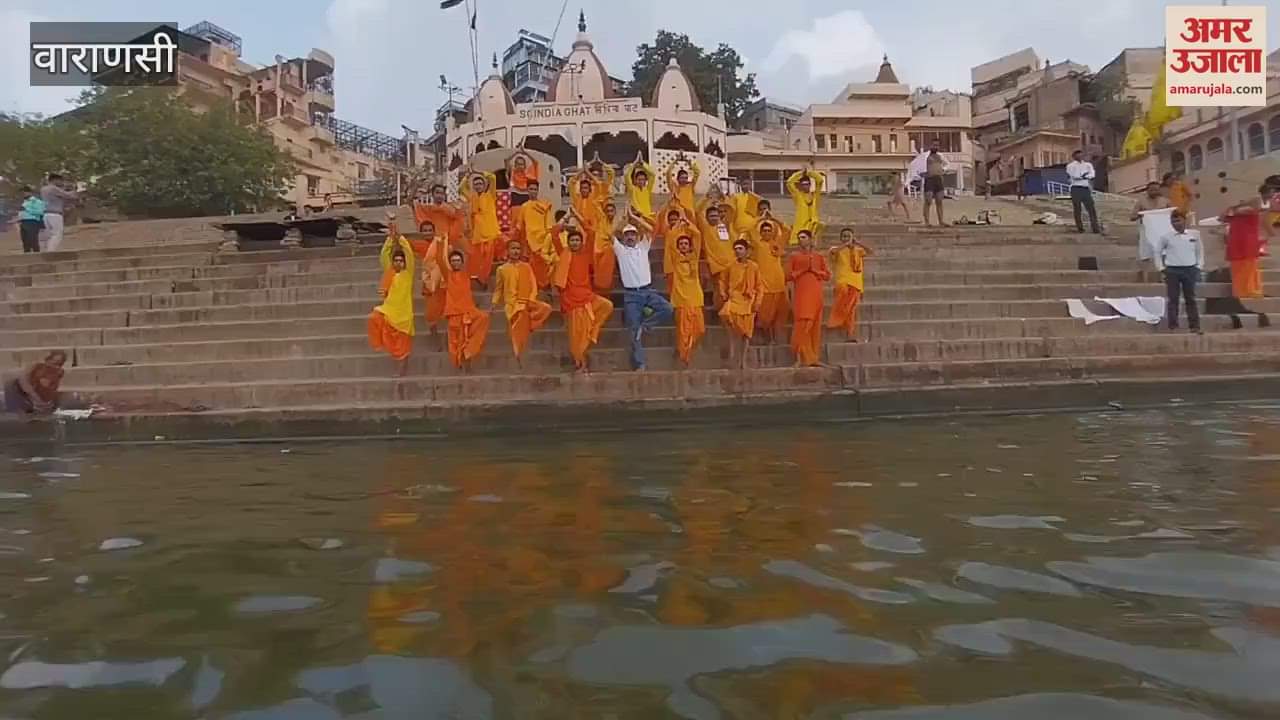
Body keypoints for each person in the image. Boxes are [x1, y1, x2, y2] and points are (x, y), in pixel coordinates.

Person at [552, 226, 613, 373]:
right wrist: (565, 222)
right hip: (571, 300)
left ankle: (594, 330)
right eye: (572, 240)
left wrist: (577, 216)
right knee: (576, 336)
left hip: (587, 296)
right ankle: (580, 364)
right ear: (568, 242)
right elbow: (554, 234)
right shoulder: (564, 254)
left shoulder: (585, 254)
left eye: (577, 240)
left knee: (607, 306)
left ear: (581, 242)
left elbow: (591, 233)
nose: (574, 242)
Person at [614, 222, 673, 371]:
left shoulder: (643, 247)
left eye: (632, 234)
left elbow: (652, 228)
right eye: (627, 235)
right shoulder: (620, 250)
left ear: (637, 236)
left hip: (648, 292)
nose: (630, 237)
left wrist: (633, 218)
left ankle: (646, 326)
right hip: (631, 295)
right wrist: (623, 219)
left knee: (668, 309)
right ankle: (640, 363)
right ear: (623, 237)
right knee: (633, 330)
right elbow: (610, 233)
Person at [367, 216, 416, 376]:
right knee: (374, 318)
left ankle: (402, 370)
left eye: (401, 261)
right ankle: (379, 344)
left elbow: (408, 251)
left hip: (404, 314)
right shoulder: (390, 273)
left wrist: (400, 237)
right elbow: (384, 254)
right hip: (389, 310)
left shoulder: (408, 274)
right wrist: (390, 236)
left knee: (403, 343)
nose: (398, 263)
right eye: (396, 260)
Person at [491, 239, 551, 366]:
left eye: (518, 249)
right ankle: (518, 356)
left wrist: (531, 299)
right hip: (511, 305)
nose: (516, 251)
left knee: (546, 309)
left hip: (525, 303)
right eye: (513, 248)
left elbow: (533, 285)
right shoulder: (502, 269)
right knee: (515, 331)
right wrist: (494, 303)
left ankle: (520, 355)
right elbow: (498, 289)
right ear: (507, 251)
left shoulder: (527, 267)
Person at [1152, 209, 1204, 334]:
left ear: (1184, 220)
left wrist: (1199, 266)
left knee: (1190, 298)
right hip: (1172, 270)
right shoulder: (1166, 237)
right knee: (1173, 299)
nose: (1176, 223)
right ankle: (1173, 326)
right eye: (1173, 221)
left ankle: (1195, 326)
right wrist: (1161, 268)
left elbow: (1199, 251)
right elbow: (1157, 252)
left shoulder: (1194, 235)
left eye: (1178, 220)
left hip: (1190, 269)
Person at [787, 229, 831, 367]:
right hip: (801, 294)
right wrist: (803, 270)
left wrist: (815, 271)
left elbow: (827, 275)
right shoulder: (794, 256)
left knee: (814, 327)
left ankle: (813, 358)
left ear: (811, 239)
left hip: (816, 294)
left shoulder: (819, 257)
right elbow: (788, 275)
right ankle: (800, 358)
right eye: (799, 238)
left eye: (804, 237)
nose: (801, 240)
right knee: (802, 324)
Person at [719, 238, 763, 370]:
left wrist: (757, 302)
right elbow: (722, 280)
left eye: (740, 249)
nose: (737, 251)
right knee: (728, 321)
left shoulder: (754, 266)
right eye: (736, 249)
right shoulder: (730, 266)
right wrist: (723, 293)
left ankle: (743, 361)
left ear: (746, 251)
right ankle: (732, 357)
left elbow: (759, 286)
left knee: (746, 334)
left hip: (748, 301)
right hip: (734, 299)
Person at [443, 248, 490, 371]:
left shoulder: (466, 274)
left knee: (483, 319)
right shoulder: (447, 275)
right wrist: (442, 240)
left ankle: (468, 360)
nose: (455, 263)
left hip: (469, 312)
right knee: (456, 343)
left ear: (462, 262)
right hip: (454, 314)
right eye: (453, 261)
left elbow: (473, 255)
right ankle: (460, 366)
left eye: (458, 260)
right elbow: (440, 258)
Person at [509, 178, 557, 288]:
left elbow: (549, 223)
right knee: (533, 265)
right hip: (530, 241)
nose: (533, 191)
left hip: (543, 239)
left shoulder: (544, 204)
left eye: (535, 189)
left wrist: (548, 237)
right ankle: (535, 286)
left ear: (538, 190)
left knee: (544, 264)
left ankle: (545, 285)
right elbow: (520, 226)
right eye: (531, 189)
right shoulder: (524, 207)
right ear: (527, 190)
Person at [1220, 190, 1267, 300]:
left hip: (1248, 246)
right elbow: (1222, 217)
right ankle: (1241, 291)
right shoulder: (1237, 212)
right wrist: (1234, 206)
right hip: (1236, 246)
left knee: (1249, 269)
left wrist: (1236, 206)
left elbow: (1253, 204)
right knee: (1238, 269)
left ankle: (1250, 290)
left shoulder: (1251, 210)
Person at [751, 216, 790, 345]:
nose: (767, 233)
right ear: (761, 232)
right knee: (764, 315)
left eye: (769, 230)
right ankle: (764, 337)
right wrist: (760, 219)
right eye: (764, 231)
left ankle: (774, 338)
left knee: (778, 313)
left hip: (778, 283)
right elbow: (750, 229)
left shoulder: (777, 244)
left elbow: (787, 229)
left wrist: (773, 219)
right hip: (764, 284)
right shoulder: (757, 244)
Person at [669, 233, 706, 368]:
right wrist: (678, 223)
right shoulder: (674, 258)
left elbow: (696, 235)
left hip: (695, 299)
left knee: (700, 329)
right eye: (681, 244)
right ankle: (684, 359)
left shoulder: (694, 258)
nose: (683, 246)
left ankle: (683, 352)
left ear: (690, 247)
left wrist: (686, 221)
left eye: (686, 244)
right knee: (684, 332)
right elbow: (671, 241)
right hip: (681, 300)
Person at [827, 227, 870, 341]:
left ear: (852, 237)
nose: (846, 238)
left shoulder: (858, 250)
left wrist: (858, 243)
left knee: (851, 310)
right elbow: (832, 252)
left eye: (848, 236)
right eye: (844, 236)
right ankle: (836, 320)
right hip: (842, 281)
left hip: (855, 283)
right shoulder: (837, 249)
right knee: (842, 295)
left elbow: (870, 251)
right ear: (841, 238)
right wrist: (845, 245)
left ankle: (850, 334)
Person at [460, 169, 502, 285]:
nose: (478, 186)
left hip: (490, 232)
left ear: (484, 185)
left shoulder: (490, 195)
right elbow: (461, 189)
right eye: (476, 184)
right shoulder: (472, 197)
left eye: (480, 184)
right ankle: (475, 276)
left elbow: (492, 177)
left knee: (487, 258)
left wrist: (478, 172)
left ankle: (483, 279)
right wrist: (467, 176)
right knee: (476, 257)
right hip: (477, 234)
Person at [696, 199, 736, 307]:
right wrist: (706, 199)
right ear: (707, 218)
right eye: (711, 216)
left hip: (731, 265)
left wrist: (724, 200)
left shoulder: (725, 227)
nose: (714, 218)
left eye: (716, 215)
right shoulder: (706, 228)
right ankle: (721, 314)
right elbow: (698, 212)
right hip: (717, 266)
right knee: (719, 291)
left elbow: (732, 212)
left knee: (731, 290)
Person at [416, 219, 450, 340]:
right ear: (421, 233)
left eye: (430, 230)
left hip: (442, 280)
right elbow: (402, 243)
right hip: (429, 281)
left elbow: (446, 258)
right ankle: (434, 337)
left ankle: (450, 339)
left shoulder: (440, 243)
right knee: (431, 313)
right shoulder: (418, 244)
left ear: (434, 231)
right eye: (425, 231)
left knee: (447, 311)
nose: (427, 233)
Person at [4, 350, 67, 415]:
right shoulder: (36, 366)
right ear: (48, 360)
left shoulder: (57, 373)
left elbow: (48, 389)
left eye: (59, 364)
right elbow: (24, 380)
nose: (55, 366)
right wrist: (32, 394)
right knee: (12, 383)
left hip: (41, 401)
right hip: (28, 396)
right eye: (53, 361)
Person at [1132, 181, 1172, 264]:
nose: (1154, 192)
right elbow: (1132, 217)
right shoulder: (1141, 202)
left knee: (1164, 253)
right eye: (1152, 190)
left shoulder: (1166, 201)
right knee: (1146, 255)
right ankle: (1147, 273)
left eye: (1156, 190)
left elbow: (1174, 214)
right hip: (1147, 232)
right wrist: (1143, 215)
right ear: (1147, 191)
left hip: (1163, 231)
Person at [1065, 150, 1102, 234]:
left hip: (1085, 188)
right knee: (1077, 209)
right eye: (1078, 155)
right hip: (1075, 188)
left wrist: (1085, 176)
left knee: (1091, 209)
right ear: (1074, 156)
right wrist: (1084, 176)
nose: (1080, 156)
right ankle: (1080, 228)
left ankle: (1095, 228)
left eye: (1081, 155)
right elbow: (1074, 176)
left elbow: (1092, 175)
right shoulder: (1070, 166)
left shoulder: (1088, 165)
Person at [786, 164, 824, 241]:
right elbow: (789, 183)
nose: (805, 186)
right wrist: (801, 173)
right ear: (800, 185)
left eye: (807, 184)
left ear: (810, 185)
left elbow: (820, 180)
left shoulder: (815, 195)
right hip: (801, 224)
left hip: (813, 225)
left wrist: (809, 173)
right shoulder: (798, 195)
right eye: (803, 184)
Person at [40, 173, 77, 252]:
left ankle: (48, 250)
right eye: (60, 180)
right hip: (55, 214)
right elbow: (69, 196)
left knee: (50, 235)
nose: (61, 182)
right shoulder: (53, 188)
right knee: (57, 234)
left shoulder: (43, 189)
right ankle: (50, 252)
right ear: (55, 180)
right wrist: (74, 189)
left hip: (46, 214)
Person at [921, 142, 949, 227]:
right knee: (928, 200)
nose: (935, 147)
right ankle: (926, 222)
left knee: (939, 201)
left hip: (938, 179)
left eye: (937, 145)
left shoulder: (940, 156)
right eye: (933, 145)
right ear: (930, 146)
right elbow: (919, 167)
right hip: (929, 179)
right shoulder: (925, 156)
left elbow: (947, 164)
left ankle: (941, 221)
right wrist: (923, 173)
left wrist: (943, 170)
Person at [623, 152, 655, 224]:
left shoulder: (647, 189)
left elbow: (652, 175)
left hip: (647, 216)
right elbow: (627, 175)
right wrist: (634, 163)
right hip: (637, 217)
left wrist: (642, 163)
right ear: (635, 180)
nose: (641, 182)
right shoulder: (632, 189)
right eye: (639, 180)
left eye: (643, 180)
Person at [17, 186, 45, 254]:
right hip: (23, 222)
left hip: (32, 222)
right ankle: (27, 258)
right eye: (22, 192)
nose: (23, 193)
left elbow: (40, 212)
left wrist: (27, 209)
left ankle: (37, 256)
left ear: (30, 192)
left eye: (25, 191)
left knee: (33, 240)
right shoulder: (24, 202)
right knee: (25, 242)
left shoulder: (36, 201)